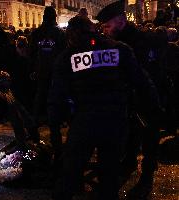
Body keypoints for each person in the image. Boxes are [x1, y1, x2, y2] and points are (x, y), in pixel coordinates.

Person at [50, 16, 161, 200]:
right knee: (109, 175)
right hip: (115, 122)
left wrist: (55, 126)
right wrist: (154, 108)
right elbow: (142, 82)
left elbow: (56, 95)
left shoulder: (67, 57)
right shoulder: (119, 49)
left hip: (84, 123)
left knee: (69, 175)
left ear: (72, 34)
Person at [96, 1, 172, 197]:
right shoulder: (116, 43)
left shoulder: (142, 41)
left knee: (149, 140)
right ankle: (128, 163)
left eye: (107, 26)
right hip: (130, 100)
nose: (104, 30)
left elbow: (151, 73)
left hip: (148, 100)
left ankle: (146, 178)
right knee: (131, 135)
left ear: (120, 21)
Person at [29, 6, 66, 161]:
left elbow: (31, 53)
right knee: (55, 104)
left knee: (39, 99)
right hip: (55, 74)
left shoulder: (36, 33)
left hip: (41, 73)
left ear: (44, 17)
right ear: (54, 17)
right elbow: (64, 54)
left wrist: (33, 69)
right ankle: (56, 138)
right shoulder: (59, 33)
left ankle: (32, 133)